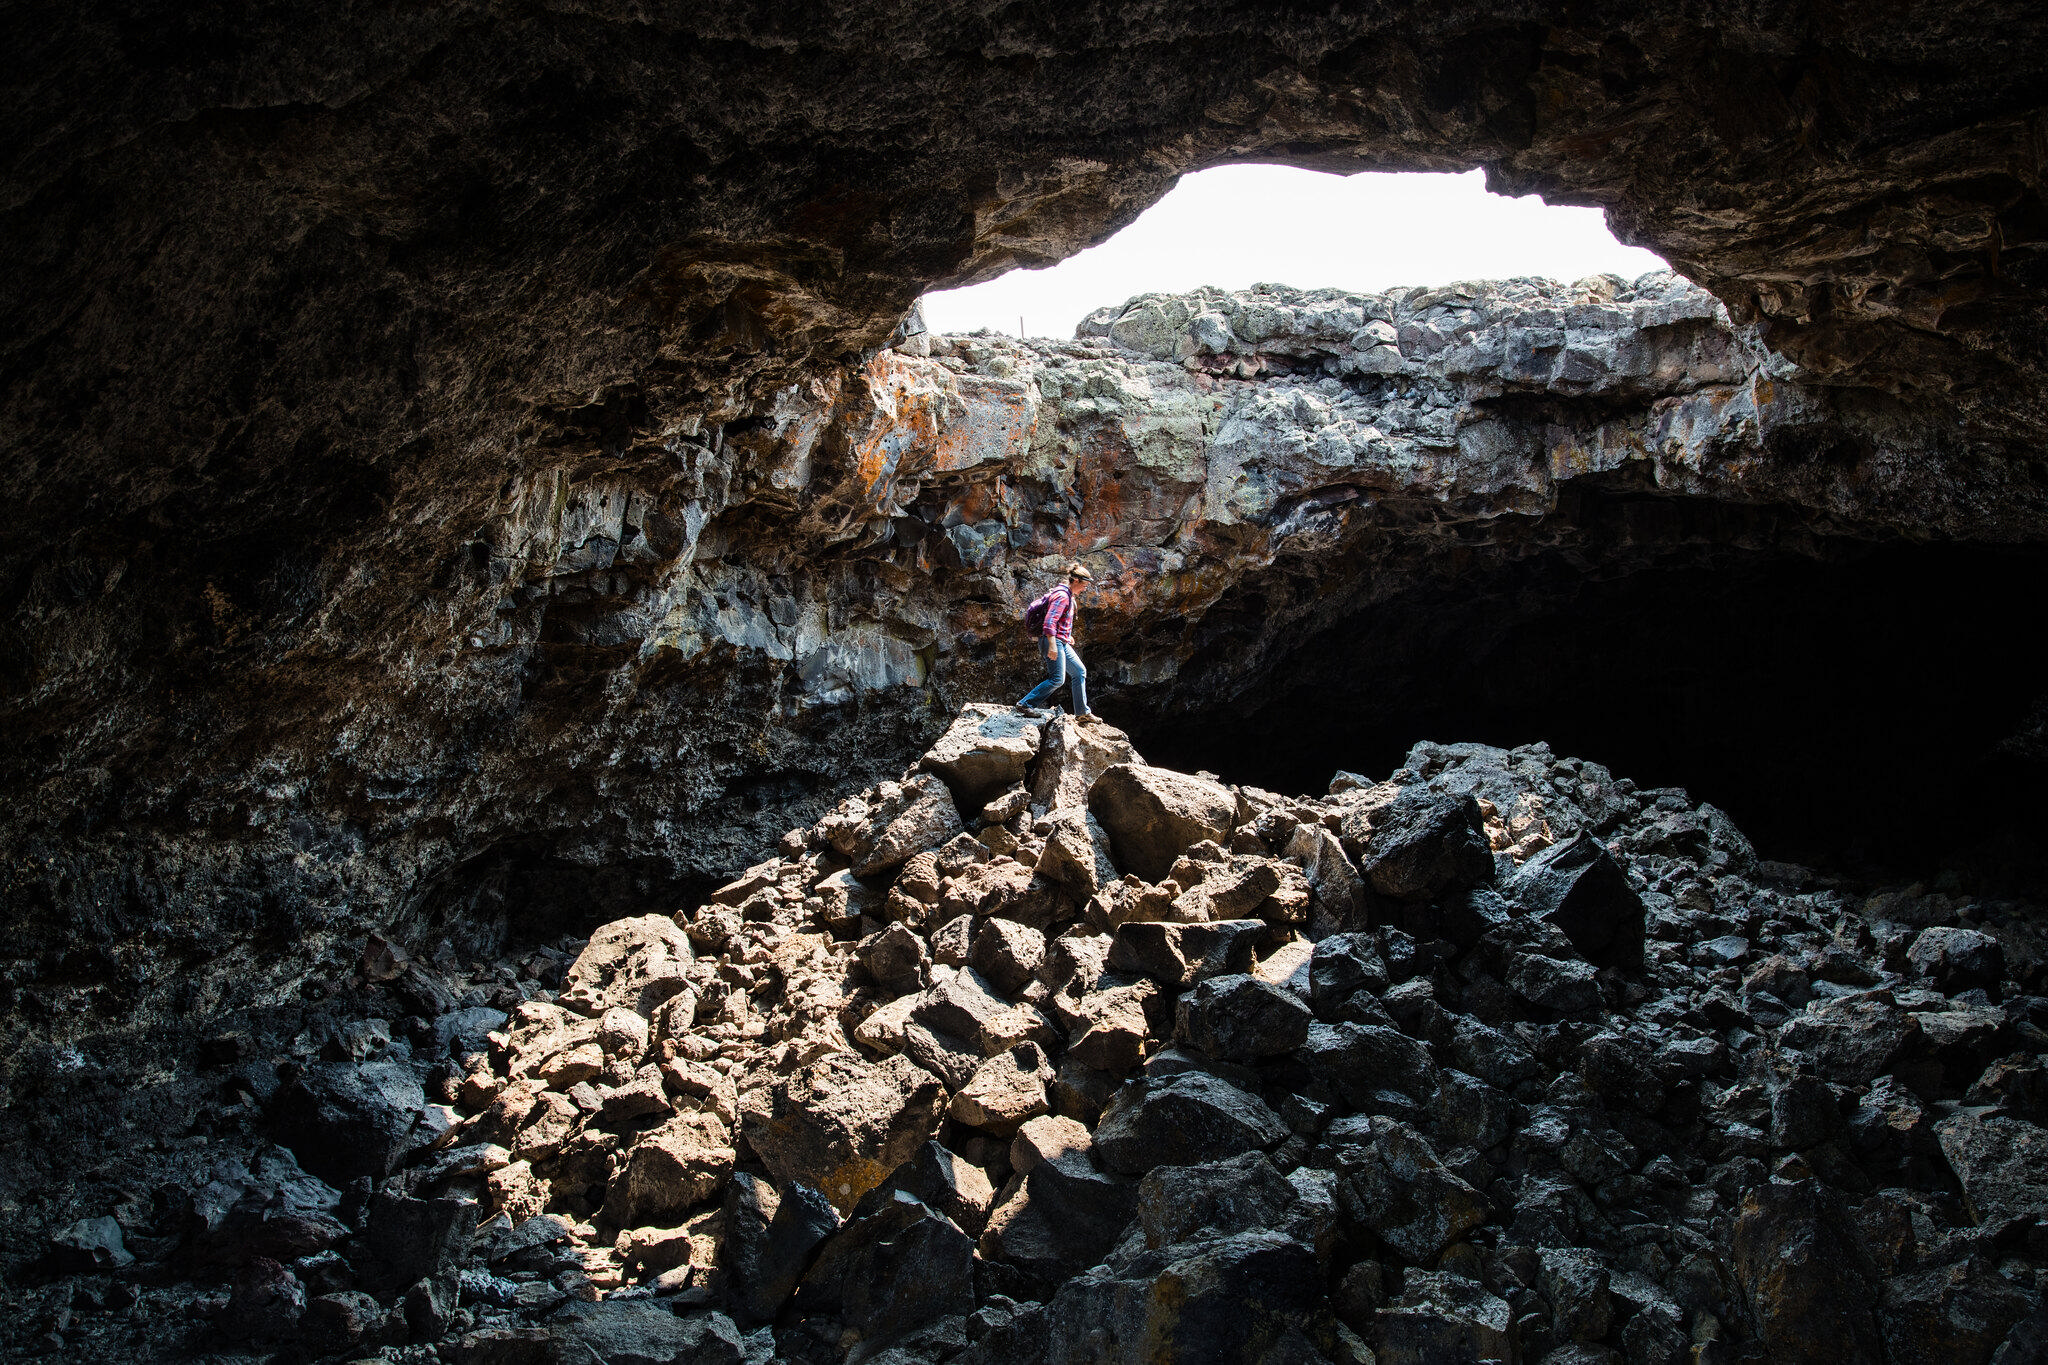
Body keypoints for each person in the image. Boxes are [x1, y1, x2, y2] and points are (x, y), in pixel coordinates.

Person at [1017, 564, 1103, 722]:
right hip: (1052, 641)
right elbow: (1049, 622)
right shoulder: (1063, 596)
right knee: (1057, 679)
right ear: (1075, 580)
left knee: (1079, 671)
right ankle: (1025, 704)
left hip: (1060, 641)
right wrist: (1052, 645)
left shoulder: (1068, 595)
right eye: (1084, 585)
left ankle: (1082, 713)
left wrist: (1066, 636)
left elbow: (1059, 622)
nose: (1084, 589)